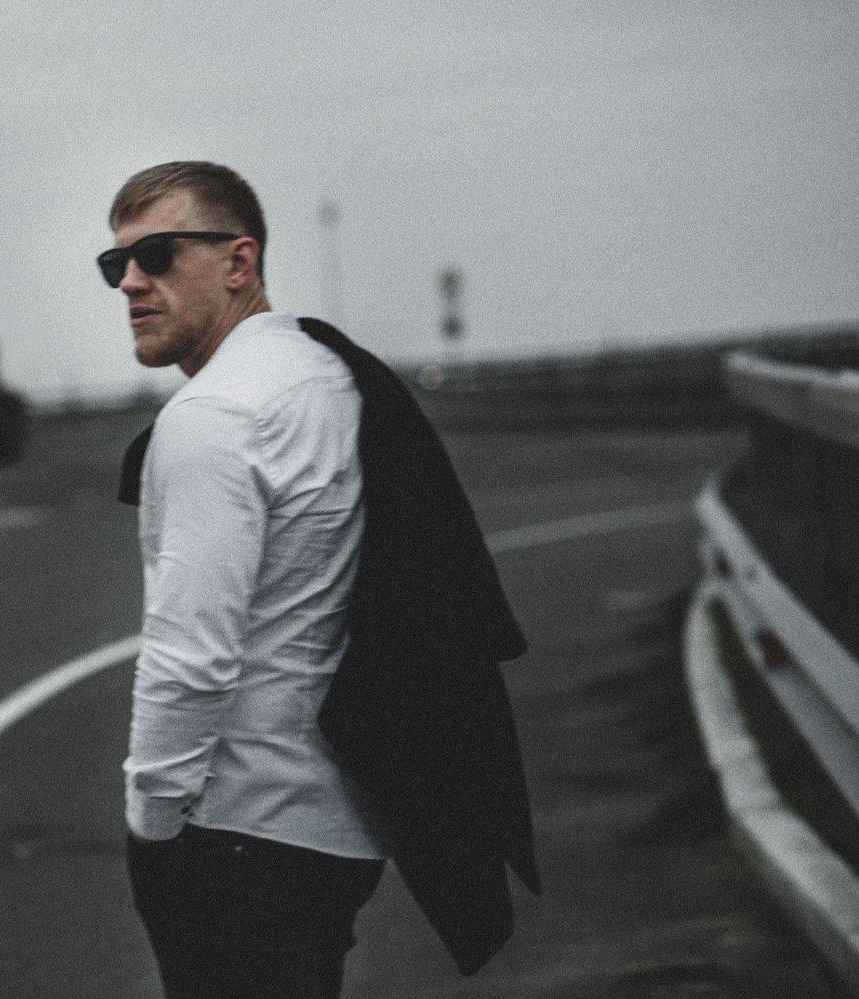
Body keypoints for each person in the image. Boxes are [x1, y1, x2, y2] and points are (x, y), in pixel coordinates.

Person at [102, 162, 538, 999]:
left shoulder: (214, 416)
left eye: (157, 254)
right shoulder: (330, 375)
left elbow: (189, 658)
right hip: (332, 826)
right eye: (115, 263)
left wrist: (152, 827)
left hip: (235, 832)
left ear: (239, 261)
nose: (130, 281)